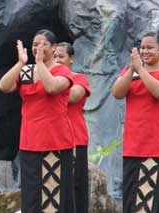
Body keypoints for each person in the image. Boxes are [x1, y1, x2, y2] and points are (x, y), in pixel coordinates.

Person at [0, 29, 75, 213]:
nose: (38, 48)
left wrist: (40, 63)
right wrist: (20, 63)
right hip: (30, 141)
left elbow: (51, 87)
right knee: (32, 194)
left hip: (54, 140)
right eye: (34, 44)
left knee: (54, 193)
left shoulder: (62, 70)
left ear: (54, 47)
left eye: (43, 44)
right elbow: (4, 86)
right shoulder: (25, 71)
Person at [111, 32, 159, 213]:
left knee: (156, 200)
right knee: (133, 198)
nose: (145, 51)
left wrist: (141, 70)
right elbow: (117, 93)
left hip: (158, 144)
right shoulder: (130, 72)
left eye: (150, 47)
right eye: (142, 47)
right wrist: (132, 70)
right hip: (134, 145)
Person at [54, 42, 91, 213]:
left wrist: (51, 87)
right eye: (54, 56)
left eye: (61, 56)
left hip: (75, 139)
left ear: (71, 59)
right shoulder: (46, 78)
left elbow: (74, 96)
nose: (57, 60)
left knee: (75, 186)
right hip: (53, 139)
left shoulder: (79, 79)